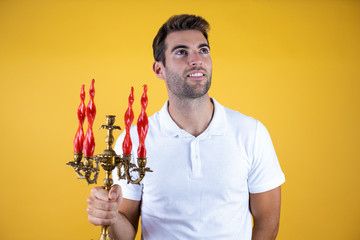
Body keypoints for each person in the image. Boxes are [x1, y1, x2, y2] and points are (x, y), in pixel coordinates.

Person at [86, 14, 285, 240]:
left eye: (203, 50)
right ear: (159, 69)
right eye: (181, 52)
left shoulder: (251, 133)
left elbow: (267, 223)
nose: (196, 60)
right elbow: (125, 233)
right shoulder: (133, 141)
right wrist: (109, 215)